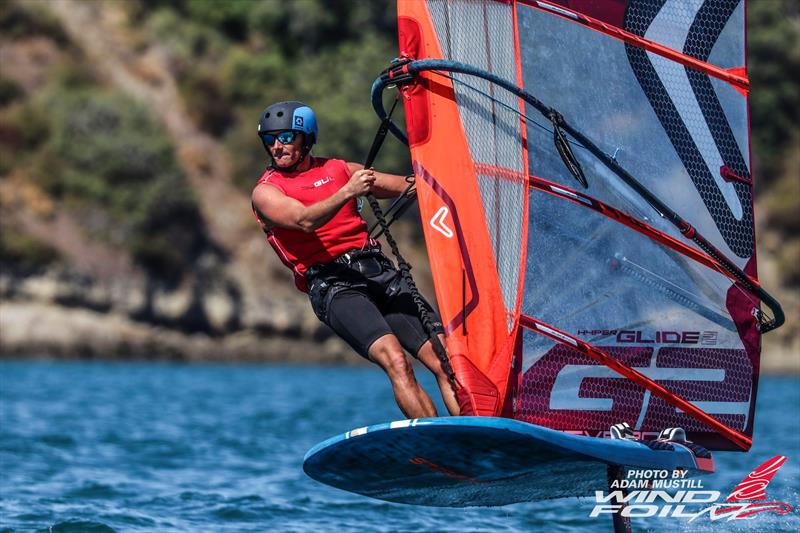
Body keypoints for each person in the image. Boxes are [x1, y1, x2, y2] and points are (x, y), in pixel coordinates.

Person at [251, 101, 459, 418]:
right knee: (396, 360)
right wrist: (349, 191)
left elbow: (412, 187)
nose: (277, 147)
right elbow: (304, 220)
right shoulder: (266, 193)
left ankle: (477, 436)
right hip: (334, 286)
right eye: (269, 140)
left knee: (445, 359)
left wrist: (448, 170)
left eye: (285, 138)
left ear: (305, 138)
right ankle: (439, 446)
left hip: (377, 272)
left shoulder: (339, 169)